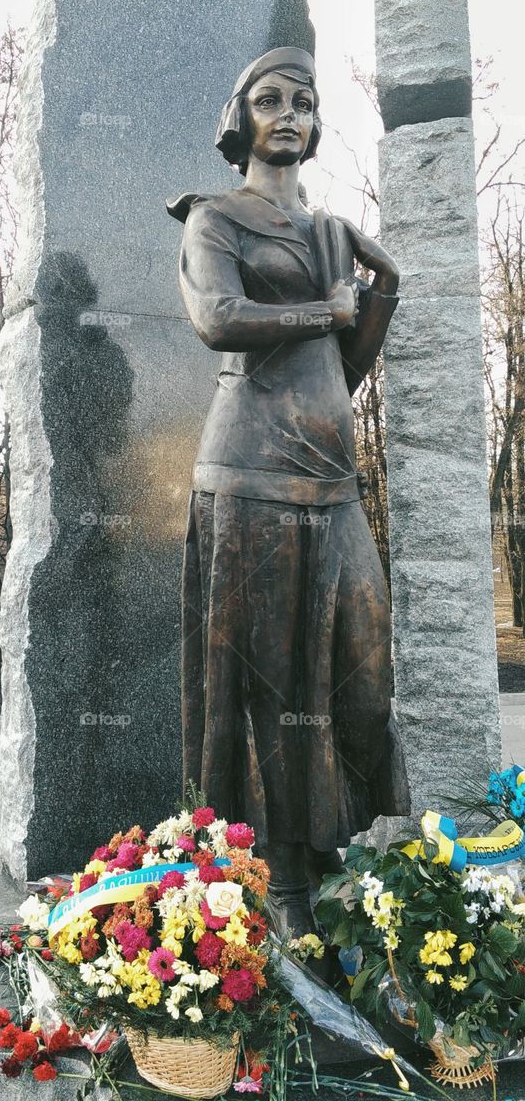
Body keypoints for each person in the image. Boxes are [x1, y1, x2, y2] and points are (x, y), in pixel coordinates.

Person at [167, 47, 410, 937]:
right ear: (241, 120)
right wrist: (326, 307)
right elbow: (217, 321)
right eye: (268, 100)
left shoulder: (328, 232)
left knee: (360, 672)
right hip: (249, 481)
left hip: (331, 482)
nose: (288, 114)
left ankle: (361, 856)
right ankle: (280, 886)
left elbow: (339, 373)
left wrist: (378, 292)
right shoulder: (213, 218)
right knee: (270, 688)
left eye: (303, 102)